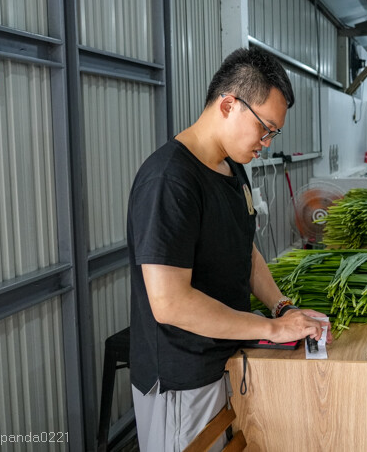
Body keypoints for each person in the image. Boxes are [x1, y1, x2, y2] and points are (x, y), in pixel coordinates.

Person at [127, 48, 329, 451]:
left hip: (224, 360)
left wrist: (282, 307)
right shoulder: (170, 181)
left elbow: (245, 250)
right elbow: (170, 304)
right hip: (183, 378)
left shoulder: (232, 169)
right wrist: (272, 330)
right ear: (228, 105)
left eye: (274, 134)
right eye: (265, 129)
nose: (266, 144)